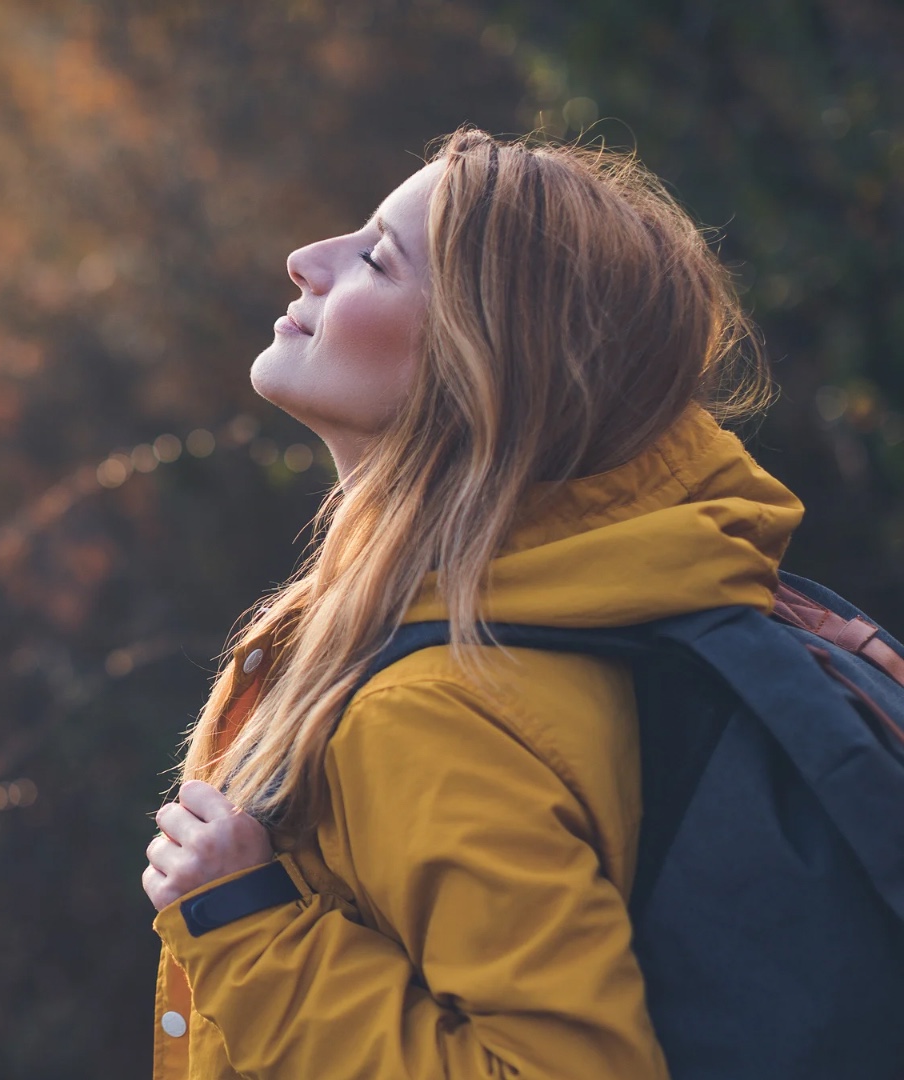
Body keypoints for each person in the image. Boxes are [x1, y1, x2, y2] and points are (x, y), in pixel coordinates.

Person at [141, 126, 793, 1078]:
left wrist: (250, 934)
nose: (306, 261)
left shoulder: (433, 709)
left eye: (374, 257)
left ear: (479, 361)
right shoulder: (599, 605)